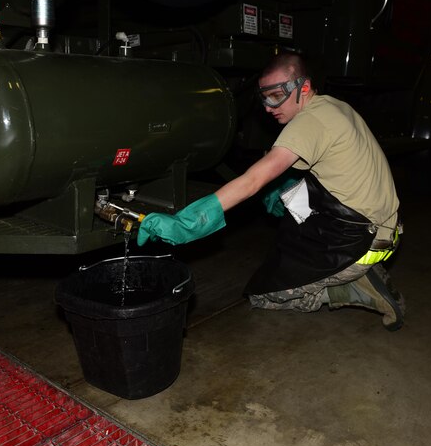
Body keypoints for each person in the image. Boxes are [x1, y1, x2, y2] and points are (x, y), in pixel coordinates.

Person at [137, 53, 405, 330]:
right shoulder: (334, 107)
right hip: (385, 227)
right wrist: (283, 189)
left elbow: (252, 181)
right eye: (264, 98)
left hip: (361, 239)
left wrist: (188, 222)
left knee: (265, 295)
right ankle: (351, 271)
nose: (268, 107)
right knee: (288, 196)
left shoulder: (308, 124)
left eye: (276, 96)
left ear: (303, 88)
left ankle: (352, 285)